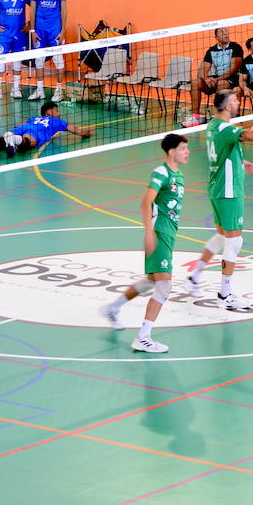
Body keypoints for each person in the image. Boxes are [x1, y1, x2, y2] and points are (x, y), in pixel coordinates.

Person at [187, 90, 253, 310]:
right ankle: (225, 293)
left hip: (218, 188)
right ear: (228, 106)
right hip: (228, 190)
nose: (238, 102)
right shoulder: (225, 128)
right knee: (234, 241)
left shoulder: (213, 126)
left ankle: (195, 276)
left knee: (222, 237)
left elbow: (223, 150)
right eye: (235, 100)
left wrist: (240, 161)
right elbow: (251, 136)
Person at [101, 133, 190, 353]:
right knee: (164, 284)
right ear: (171, 152)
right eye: (183, 148)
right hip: (159, 233)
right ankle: (143, 337)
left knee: (151, 280)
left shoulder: (179, 175)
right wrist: (149, 233)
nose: (187, 152)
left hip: (169, 234)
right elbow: (145, 202)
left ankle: (113, 307)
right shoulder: (162, 172)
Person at [0, 100, 93, 157]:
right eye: (57, 111)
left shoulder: (34, 118)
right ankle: (13, 139)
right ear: (50, 111)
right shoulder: (58, 121)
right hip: (37, 132)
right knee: (29, 142)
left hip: (27, 126)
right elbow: (75, 130)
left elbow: (18, 125)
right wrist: (85, 133)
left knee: (3, 144)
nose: (59, 114)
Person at [185, 28, 243, 127]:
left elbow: (233, 69)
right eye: (222, 33)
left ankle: (221, 117)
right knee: (195, 83)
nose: (225, 34)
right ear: (216, 37)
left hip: (233, 79)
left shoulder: (235, 47)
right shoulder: (211, 50)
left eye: (226, 32)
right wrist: (207, 79)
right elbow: (204, 69)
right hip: (217, 78)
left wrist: (216, 80)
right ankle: (196, 117)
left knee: (221, 84)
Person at [29, 0, 68, 102]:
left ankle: (58, 90)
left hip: (55, 30)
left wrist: (63, 30)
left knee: (59, 60)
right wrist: (32, 30)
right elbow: (32, 9)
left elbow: (63, 10)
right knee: (38, 60)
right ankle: (40, 90)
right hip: (40, 30)